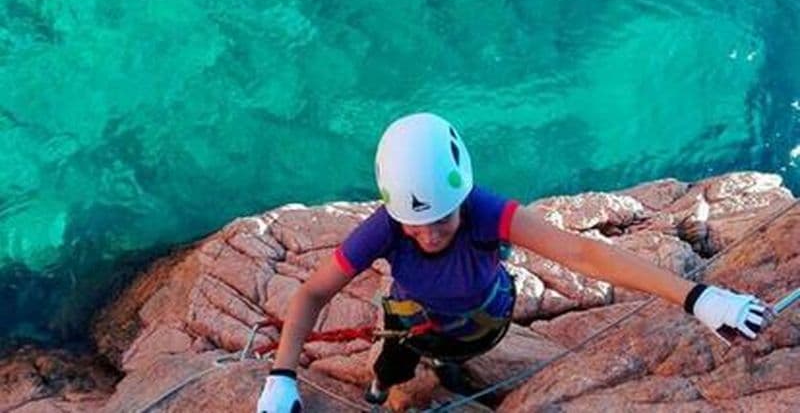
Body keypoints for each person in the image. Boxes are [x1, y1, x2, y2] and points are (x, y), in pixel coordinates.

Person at [257, 113, 773, 413]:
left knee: (443, 357)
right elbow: (311, 293)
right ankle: (381, 390)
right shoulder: (386, 227)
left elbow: (583, 252)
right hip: (422, 324)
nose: (431, 234)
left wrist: (698, 297)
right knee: (393, 364)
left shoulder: (484, 211)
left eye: (443, 219)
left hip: (485, 321)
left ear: (462, 198)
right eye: (418, 225)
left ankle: (434, 371)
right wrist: (282, 376)